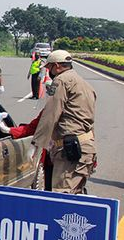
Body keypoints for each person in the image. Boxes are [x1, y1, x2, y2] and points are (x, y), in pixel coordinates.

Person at [31, 50, 96, 194]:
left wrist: (38, 144)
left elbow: (50, 114)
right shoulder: (84, 84)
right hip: (86, 147)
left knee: (62, 195)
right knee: (76, 193)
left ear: (57, 66)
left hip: (70, 149)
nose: (49, 72)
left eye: (49, 68)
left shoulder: (61, 81)